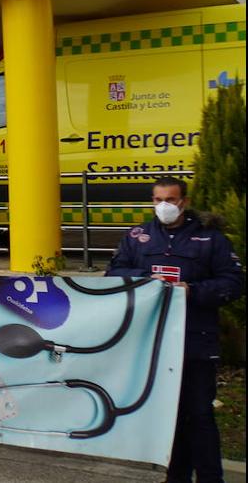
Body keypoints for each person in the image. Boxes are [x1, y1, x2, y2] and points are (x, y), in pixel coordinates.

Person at [107, 176, 243, 483]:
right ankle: (176, 476)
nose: (164, 206)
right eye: (158, 200)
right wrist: (146, 279)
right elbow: (114, 272)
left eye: (171, 199)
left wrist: (191, 290)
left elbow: (233, 284)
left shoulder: (211, 239)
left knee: (200, 414)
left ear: (185, 201)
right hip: (152, 342)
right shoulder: (137, 236)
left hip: (196, 340)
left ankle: (210, 478)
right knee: (169, 417)